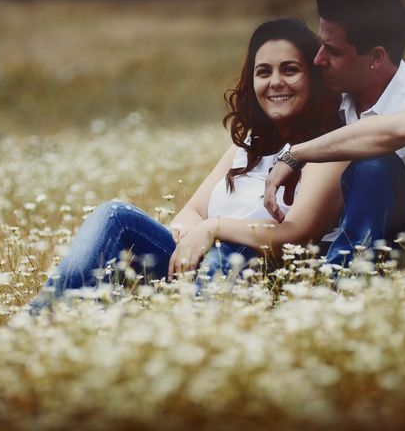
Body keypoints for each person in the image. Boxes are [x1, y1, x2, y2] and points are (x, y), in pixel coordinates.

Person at [28, 18, 347, 314]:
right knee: (114, 215)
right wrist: (193, 236)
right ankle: (43, 316)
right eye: (264, 72)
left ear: (314, 77)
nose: (276, 82)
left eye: (290, 70)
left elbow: (296, 236)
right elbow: (192, 210)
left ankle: (182, 329)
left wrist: (214, 228)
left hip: (259, 272)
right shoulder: (249, 143)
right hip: (200, 262)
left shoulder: (328, 145)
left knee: (228, 253)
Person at [264, 0, 405, 265]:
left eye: (333, 51)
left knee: (374, 166)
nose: (318, 60)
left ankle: (340, 284)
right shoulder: (336, 98)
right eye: (321, 45)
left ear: (376, 57)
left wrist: (295, 154)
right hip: (360, 240)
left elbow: (398, 131)